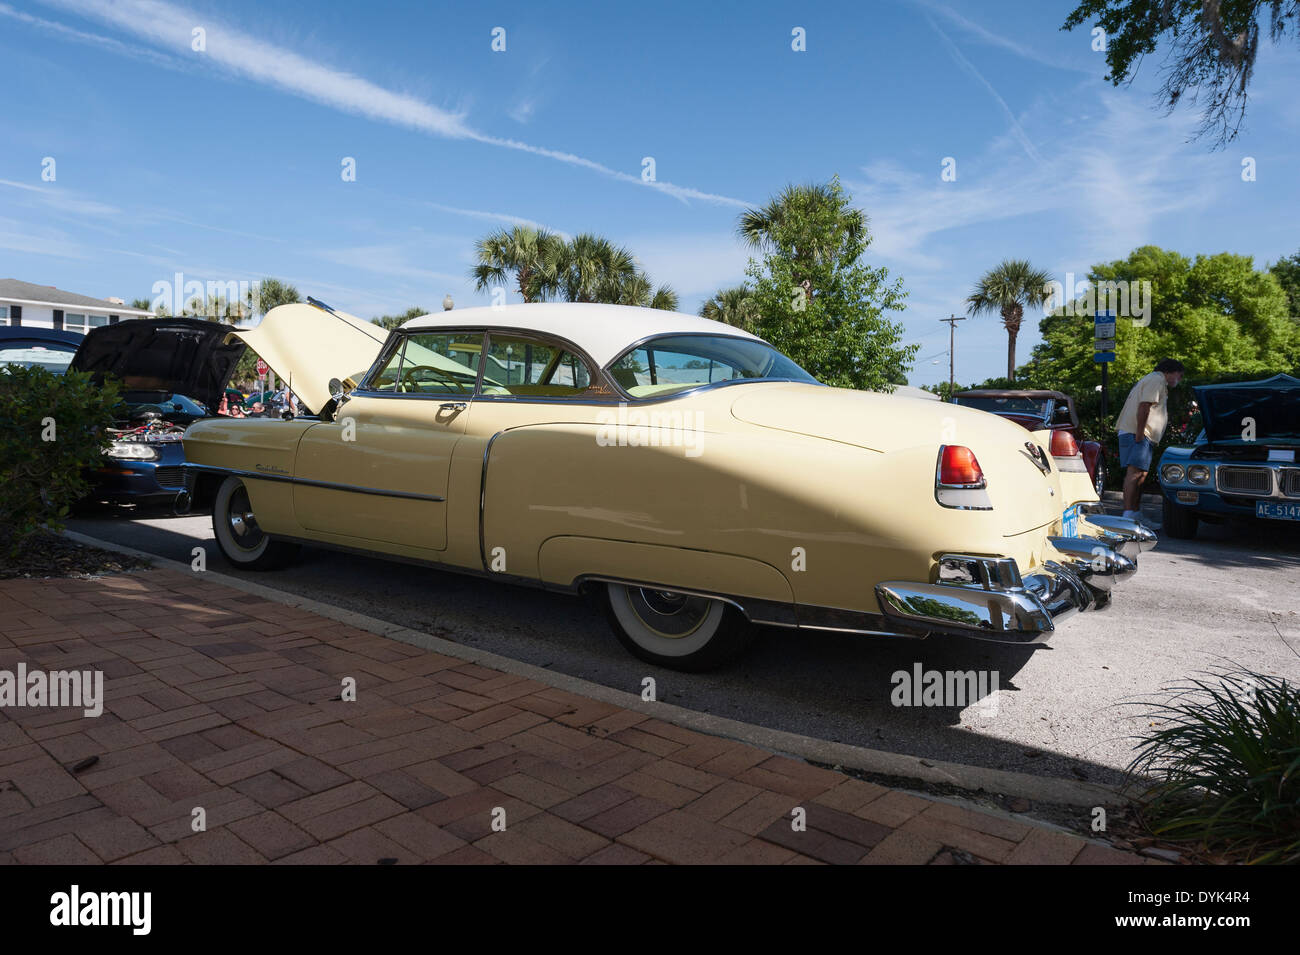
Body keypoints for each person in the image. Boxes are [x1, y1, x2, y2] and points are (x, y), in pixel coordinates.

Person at [1115, 358, 1185, 525]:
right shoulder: (1157, 379)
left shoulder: (1153, 379)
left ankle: (1134, 513)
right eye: (1179, 375)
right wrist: (1140, 434)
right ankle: (1128, 515)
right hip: (1138, 433)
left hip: (1137, 433)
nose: (1179, 379)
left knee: (1140, 474)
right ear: (1170, 371)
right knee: (1135, 474)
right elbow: (1144, 406)